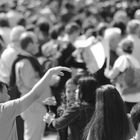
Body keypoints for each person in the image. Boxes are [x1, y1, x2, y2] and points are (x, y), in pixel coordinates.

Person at [0, 66, 71, 140]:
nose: (9, 97)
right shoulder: (5, 109)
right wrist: (49, 74)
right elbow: (35, 94)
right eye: (6, 93)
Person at [44, 74, 99, 140]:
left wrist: (50, 119)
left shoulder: (77, 108)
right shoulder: (96, 106)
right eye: (68, 91)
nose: (73, 93)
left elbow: (58, 124)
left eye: (76, 90)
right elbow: (61, 131)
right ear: (65, 92)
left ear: (83, 91)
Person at [104, 38, 140, 113]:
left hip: (125, 96)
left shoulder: (122, 59)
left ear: (121, 48)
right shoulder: (135, 60)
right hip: (136, 96)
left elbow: (112, 75)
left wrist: (106, 72)